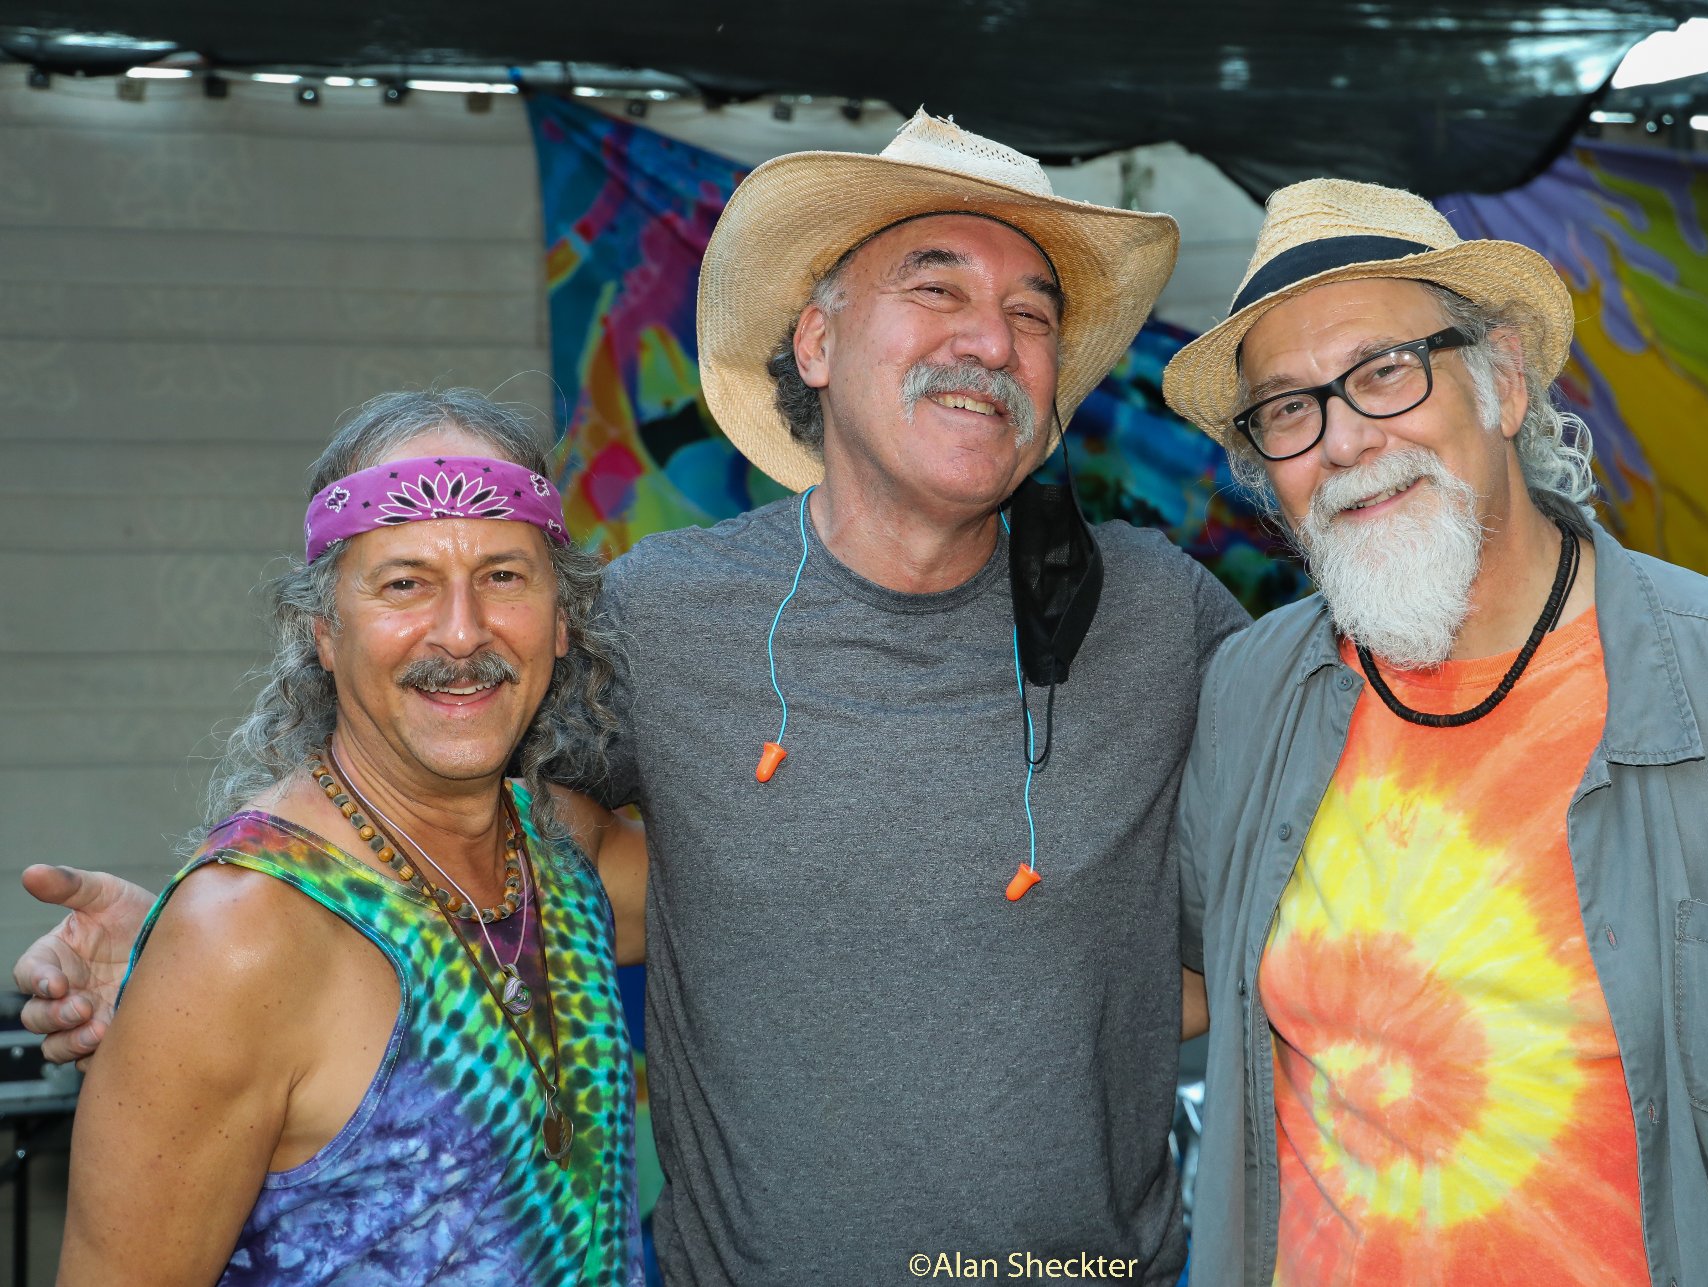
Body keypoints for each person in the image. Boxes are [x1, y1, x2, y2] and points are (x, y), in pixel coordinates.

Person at [21, 114, 1249, 1285]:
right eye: (936, 289)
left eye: (1031, 314)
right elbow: (443, 794)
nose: (989, 339)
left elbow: (1317, 891)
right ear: (813, 345)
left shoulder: (1164, 619)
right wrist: (207, 957)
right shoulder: (662, 615)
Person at [1162, 178, 1708, 1286]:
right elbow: (1180, 978)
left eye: (1385, 372)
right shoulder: (1247, 696)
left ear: (1502, 383)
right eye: (1288, 408)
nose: (1343, 439)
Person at [37, 390, 650, 1284]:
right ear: (324, 631)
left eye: (504, 576)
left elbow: (788, 902)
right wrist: (189, 960)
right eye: (405, 582)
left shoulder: (567, 854)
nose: (462, 631)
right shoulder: (242, 938)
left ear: (562, 620)